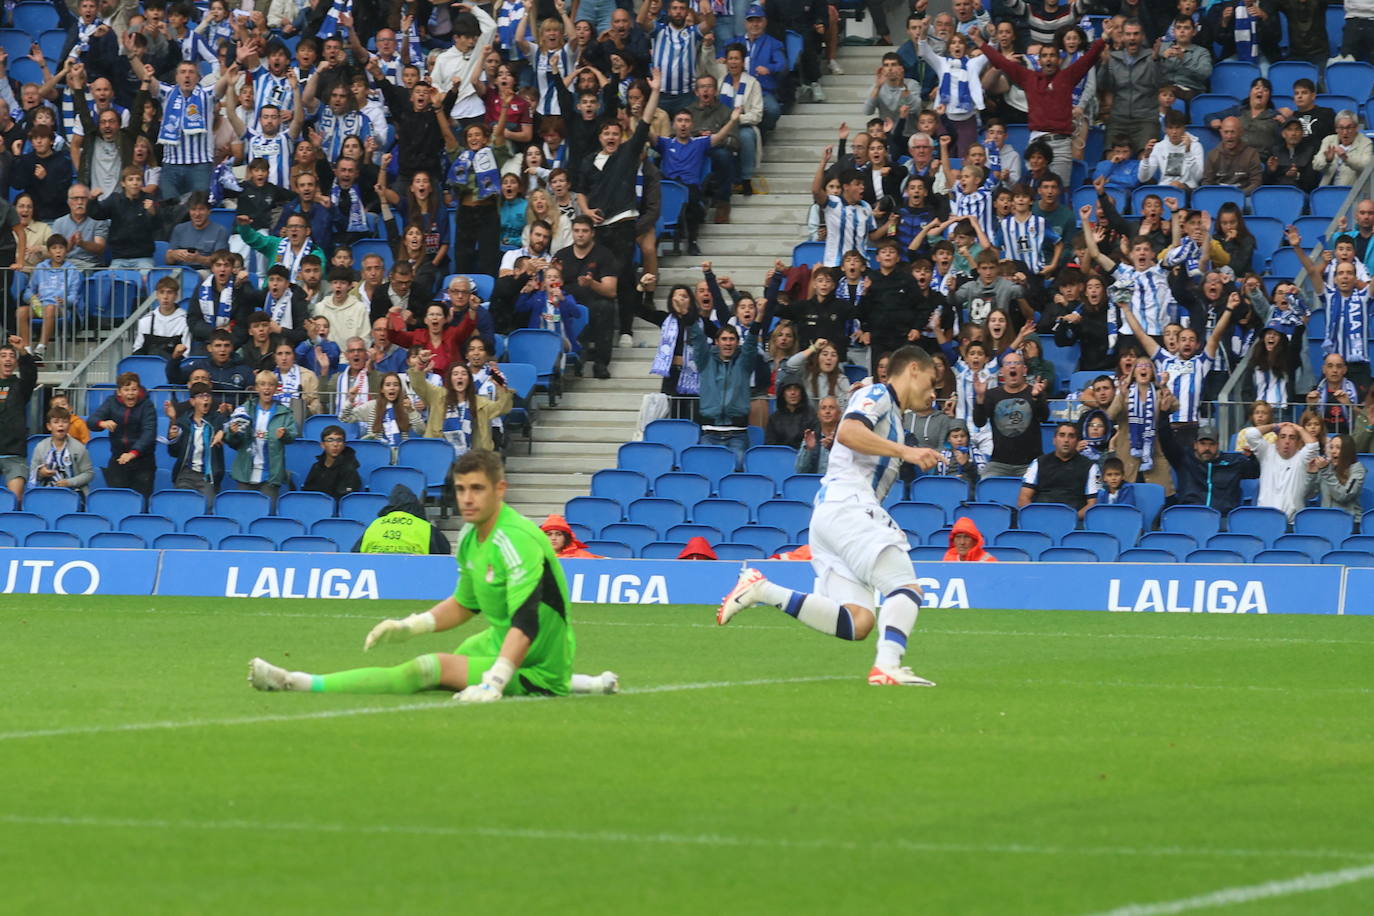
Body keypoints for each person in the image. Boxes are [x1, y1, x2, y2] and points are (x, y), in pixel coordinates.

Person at [249, 449, 619, 700]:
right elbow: (464, 604)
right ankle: (587, 684)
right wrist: (411, 626)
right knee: (458, 657)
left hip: (539, 657)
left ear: (500, 490)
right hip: (501, 638)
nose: (467, 499)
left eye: (477, 489)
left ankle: (297, 682)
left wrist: (494, 683)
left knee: (429, 669)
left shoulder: (517, 539)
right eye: (460, 490)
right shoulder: (473, 536)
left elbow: (528, 621)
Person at [717, 345, 943, 687]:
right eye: (930, 380)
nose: (933, 391)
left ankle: (762, 590)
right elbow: (849, 432)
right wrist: (906, 451)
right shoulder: (878, 393)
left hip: (830, 517)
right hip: (848, 505)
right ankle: (888, 665)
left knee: (858, 623)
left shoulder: (892, 415)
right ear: (913, 369)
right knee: (905, 587)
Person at [690, 318, 759, 470]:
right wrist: (688, 317)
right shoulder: (705, 361)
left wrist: (759, 319)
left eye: (732, 339)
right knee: (705, 472)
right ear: (716, 342)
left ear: (738, 342)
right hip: (709, 433)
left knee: (737, 471)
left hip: (737, 434)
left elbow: (752, 343)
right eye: (724, 339)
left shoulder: (744, 363)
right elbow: (698, 339)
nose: (728, 343)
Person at [972, 351, 1049, 479]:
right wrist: (980, 398)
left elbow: (1044, 417)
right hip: (999, 463)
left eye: (1016, 363)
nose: (1012, 366)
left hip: (1030, 462)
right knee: (985, 482)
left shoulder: (1034, 391)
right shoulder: (992, 395)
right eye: (1008, 363)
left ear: (1024, 369)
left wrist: (1037, 398)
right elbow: (979, 422)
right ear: (1002, 371)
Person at [224, 370, 297, 504]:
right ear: (257, 388)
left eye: (271, 385)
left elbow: (292, 435)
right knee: (242, 513)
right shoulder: (244, 410)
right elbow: (232, 442)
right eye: (262, 384)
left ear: (276, 389)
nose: (267, 388)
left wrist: (285, 434)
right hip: (245, 473)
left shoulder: (284, 413)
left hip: (270, 475)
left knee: (266, 515)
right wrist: (232, 432)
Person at [1158, 422, 1258, 515]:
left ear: (1218, 445)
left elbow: (1255, 472)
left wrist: (1252, 458)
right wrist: (1164, 413)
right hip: (1190, 516)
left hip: (1223, 518)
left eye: (1211, 444)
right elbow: (1165, 440)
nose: (1207, 448)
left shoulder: (1234, 462)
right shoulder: (1183, 459)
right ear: (1195, 445)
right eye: (1203, 443)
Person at [89, 370, 157, 496]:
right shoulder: (111, 402)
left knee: (141, 500)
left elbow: (149, 433)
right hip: (118, 459)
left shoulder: (147, 405)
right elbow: (91, 421)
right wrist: (101, 423)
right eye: (127, 390)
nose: (131, 393)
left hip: (143, 461)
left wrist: (133, 453)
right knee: (118, 497)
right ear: (119, 392)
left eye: (134, 389)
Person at [1018, 422, 1101, 519]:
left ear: (1078, 441)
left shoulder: (1090, 467)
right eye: (1062, 435)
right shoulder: (1038, 463)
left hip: (1074, 523)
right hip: (1040, 519)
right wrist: (1038, 518)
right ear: (1054, 440)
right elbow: (1023, 498)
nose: (1066, 440)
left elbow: (1093, 504)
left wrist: (1069, 520)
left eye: (1071, 436)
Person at [1243, 421, 1321, 522]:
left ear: (1298, 443)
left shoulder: (1302, 458)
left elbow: (1313, 445)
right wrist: (1274, 426)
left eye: (1292, 437)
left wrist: (1300, 429)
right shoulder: (1266, 452)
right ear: (1277, 440)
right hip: (1264, 520)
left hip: (1292, 523)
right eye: (1283, 436)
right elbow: (1251, 434)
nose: (1287, 441)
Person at [166, 381, 226, 507]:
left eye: (208, 396)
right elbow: (173, 452)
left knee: (207, 508)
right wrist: (172, 433)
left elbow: (225, 427)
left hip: (208, 475)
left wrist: (222, 431)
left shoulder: (216, 420)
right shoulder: (184, 423)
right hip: (186, 473)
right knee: (182, 505)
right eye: (200, 396)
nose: (205, 399)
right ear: (193, 401)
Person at [355, 484, 452, 555]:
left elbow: (354, 555)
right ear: (415, 504)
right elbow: (444, 556)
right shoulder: (425, 527)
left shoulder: (375, 525)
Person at [27, 406, 94, 499]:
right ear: (49, 426)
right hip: (46, 492)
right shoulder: (40, 447)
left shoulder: (79, 448)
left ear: (69, 425)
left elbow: (88, 474)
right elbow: (32, 473)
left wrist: (69, 482)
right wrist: (40, 473)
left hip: (74, 493)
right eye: (56, 422)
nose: (61, 425)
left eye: (65, 422)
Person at [1307, 433, 1365, 519]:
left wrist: (1326, 471)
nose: (1333, 451)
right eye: (1331, 447)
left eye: (1338, 448)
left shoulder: (1357, 470)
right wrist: (1312, 474)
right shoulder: (1327, 468)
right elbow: (1311, 495)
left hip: (1350, 522)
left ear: (1347, 451)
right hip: (1327, 520)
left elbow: (1344, 496)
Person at [301, 425, 361, 501]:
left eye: (339, 440)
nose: (335, 444)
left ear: (344, 445)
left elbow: (347, 498)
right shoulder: (316, 467)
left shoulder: (350, 468)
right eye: (330, 440)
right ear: (322, 445)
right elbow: (308, 492)